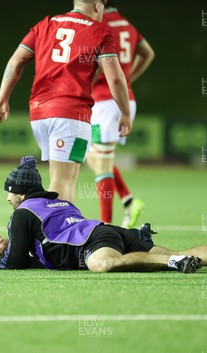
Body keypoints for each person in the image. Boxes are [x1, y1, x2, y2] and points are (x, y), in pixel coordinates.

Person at [0, 156, 207, 274]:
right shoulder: (58, 202)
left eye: (10, 192)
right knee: (182, 249)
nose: (7, 198)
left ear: (21, 192)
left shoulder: (23, 213)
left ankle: (173, 262)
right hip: (110, 231)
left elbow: (14, 262)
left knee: (103, 264)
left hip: (95, 241)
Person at [0, 0, 132, 203]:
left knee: (64, 177)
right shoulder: (99, 31)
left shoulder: (46, 24)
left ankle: (43, 219)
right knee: (63, 180)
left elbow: (16, 60)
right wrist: (125, 113)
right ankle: (43, 227)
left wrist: (2, 98)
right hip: (71, 115)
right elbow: (116, 78)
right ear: (98, 5)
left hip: (40, 114)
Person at [87, 0, 155, 227]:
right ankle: (128, 200)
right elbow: (148, 53)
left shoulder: (99, 24)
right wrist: (128, 80)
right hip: (121, 101)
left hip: (106, 102)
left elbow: (97, 66)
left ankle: (105, 226)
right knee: (93, 156)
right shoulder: (127, 25)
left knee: (102, 161)